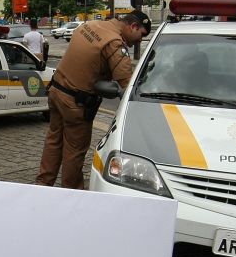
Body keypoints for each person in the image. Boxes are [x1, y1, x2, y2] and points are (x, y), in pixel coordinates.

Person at [35, 11, 150, 189]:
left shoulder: (90, 25)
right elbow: (126, 83)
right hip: (75, 103)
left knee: (53, 141)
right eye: (141, 35)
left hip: (56, 92)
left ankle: (42, 185)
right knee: (74, 151)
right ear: (133, 26)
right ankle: (71, 193)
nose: (140, 41)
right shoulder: (114, 43)